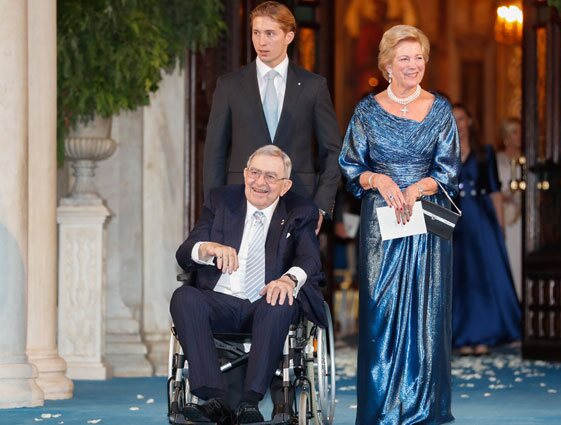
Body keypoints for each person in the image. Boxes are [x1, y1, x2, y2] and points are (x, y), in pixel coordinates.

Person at [339, 25, 459, 425]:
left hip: (426, 228)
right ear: (387, 64)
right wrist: (382, 180)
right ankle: (380, 412)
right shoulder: (367, 111)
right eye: (404, 58)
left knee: (428, 318)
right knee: (382, 316)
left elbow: (448, 170)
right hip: (381, 227)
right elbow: (351, 166)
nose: (413, 65)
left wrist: (418, 188)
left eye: (419, 57)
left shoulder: (441, 109)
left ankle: (425, 410)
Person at [172, 145, 326, 425]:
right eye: (254, 172)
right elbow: (185, 252)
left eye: (270, 176)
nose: (259, 182)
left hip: (265, 302)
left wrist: (287, 279)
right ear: (244, 173)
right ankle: (214, 398)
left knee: (281, 301)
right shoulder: (221, 201)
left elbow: (310, 258)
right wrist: (207, 248)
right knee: (183, 297)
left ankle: (249, 401)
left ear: (285, 185)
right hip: (221, 300)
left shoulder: (300, 210)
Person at [203, 1, 342, 232]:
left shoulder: (313, 86)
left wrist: (320, 206)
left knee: (293, 269)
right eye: (256, 33)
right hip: (239, 202)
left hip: (298, 200)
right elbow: (214, 153)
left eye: (270, 33)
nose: (261, 41)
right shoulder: (229, 86)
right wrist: (213, 208)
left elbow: (333, 151)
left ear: (289, 37)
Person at [450, 104, 521, 356]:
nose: (458, 123)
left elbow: (494, 192)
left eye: (461, 118)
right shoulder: (444, 151)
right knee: (461, 279)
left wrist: (499, 226)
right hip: (455, 220)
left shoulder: (485, 152)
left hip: (481, 219)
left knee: (483, 277)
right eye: (453, 119)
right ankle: (461, 337)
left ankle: (483, 336)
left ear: (469, 120)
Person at [496, 117, 523, 295]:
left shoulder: (527, 159)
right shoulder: (498, 160)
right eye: (514, 131)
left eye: (520, 131)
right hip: (504, 216)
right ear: (506, 135)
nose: (519, 136)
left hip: (523, 218)